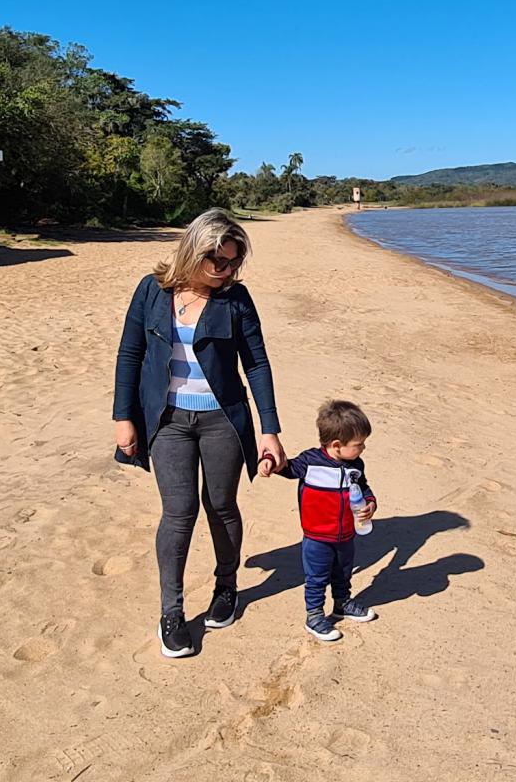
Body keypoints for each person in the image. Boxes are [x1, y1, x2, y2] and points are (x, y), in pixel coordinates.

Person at [113, 208, 287, 658]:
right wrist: (123, 416)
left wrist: (270, 429)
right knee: (179, 511)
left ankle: (225, 587)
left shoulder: (236, 299)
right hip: (167, 421)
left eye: (233, 263)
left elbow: (257, 363)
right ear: (195, 251)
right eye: (219, 263)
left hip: (222, 420)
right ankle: (171, 611)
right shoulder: (151, 291)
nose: (227, 271)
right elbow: (130, 354)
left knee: (221, 504)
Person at [264, 400, 378, 642]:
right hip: (317, 538)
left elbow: (364, 488)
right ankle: (314, 615)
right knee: (316, 577)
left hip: (347, 534)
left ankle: (343, 603)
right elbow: (288, 468)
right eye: (359, 444)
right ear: (337, 445)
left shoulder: (355, 465)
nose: (363, 448)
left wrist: (370, 504)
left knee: (343, 572)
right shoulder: (310, 462)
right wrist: (271, 462)